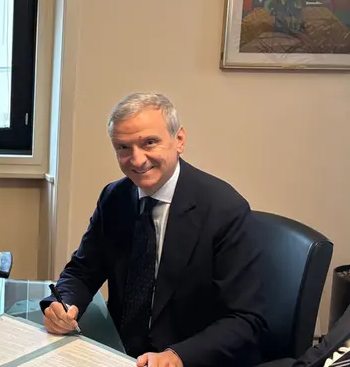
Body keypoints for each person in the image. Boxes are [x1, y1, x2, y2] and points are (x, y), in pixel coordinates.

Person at [41, 92, 266, 367]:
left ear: (179, 140)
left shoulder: (224, 209)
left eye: (149, 142)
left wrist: (178, 356)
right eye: (123, 147)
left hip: (191, 357)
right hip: (119, 352)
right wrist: (63, 304)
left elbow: (245, 320)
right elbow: (83, 270)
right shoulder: (115, 198)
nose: (137, 160)